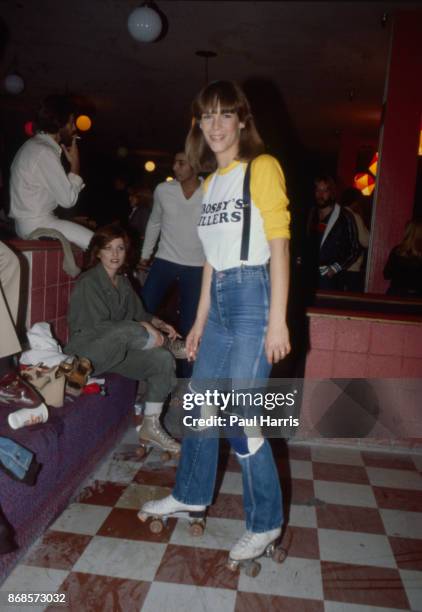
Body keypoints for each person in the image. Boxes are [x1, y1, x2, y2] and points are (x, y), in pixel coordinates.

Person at [139, 81, 291, 566]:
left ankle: (265, 523)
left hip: (254, 297)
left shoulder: (262, 168)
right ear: (198, 126)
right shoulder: (208, 183)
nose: (217, 125)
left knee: (243, 421)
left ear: (243, 120)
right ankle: (190, 494)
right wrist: (200, 319)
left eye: (227, 114)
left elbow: (281, 245)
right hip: (220, 298)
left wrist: (278, 322)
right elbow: (209, 259)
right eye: (208, 117)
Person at [65, 224, 181, 455]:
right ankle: (74, 375)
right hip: (87, 351)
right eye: (108, 249)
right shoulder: (89, 281)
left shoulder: (124, 282)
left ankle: (150, 425)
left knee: (162, 359)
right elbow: (101, 328)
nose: (115, 254)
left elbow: (140, 316)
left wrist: (158, 324)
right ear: (98, 252)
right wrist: (144, 327)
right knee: (132, 330)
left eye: (120, 248)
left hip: (116, 353)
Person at [9, 94, 93, 250]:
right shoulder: (44, 151)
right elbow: (68, 200)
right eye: (71, 122)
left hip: (27, 223)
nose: (74, 128)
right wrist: (75, 165)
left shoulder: (33, 145)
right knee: (99, 245)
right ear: (60, 123)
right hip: (38, 224)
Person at [140, 152, 205, 344]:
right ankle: (136, 361)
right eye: (174, 162)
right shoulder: (163, 190)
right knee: (142, 311)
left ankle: (186, 371)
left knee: (190, 324)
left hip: (197, 266)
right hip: (165, 260)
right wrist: (145, 254)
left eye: (181, 163)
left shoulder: (210, 191)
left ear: (195, 165)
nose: (175, 167)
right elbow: (154, 223)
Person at [305, 176, 360, 291]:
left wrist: (335, 268)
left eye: (325, 190)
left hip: (331, 280)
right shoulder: (310, 213)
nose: (321, 194)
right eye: (318, 190)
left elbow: (354, 249)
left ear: (332, 193)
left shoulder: (344, 216)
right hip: (308, 276)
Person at [341, 187, 370, 292]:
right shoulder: (354, 217)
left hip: (336, 267)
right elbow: (366, 241)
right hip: (352, 267)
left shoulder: (336, 214)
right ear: (356, 201)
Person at [383, 218, 422, 297]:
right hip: (417, 298)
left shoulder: (398, 251)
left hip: (396, 295)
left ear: (407, 232)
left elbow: (386, 274)